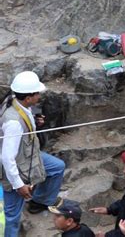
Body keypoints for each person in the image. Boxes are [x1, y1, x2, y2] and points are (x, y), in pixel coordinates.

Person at [0, 71, 65, 237]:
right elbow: (7, 158)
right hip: (16, 165)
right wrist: (18, 184)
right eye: (37, 94)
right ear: (28, 97)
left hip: (27, 154)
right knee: (12, 215)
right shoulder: (13, 122)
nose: (39, 96)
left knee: (57, 167)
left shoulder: (15, 102)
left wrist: (35, 124)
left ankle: (40, 201)